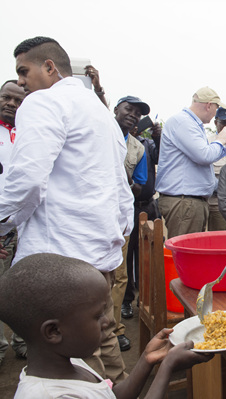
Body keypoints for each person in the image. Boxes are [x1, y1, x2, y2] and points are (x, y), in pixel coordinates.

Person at [1, 36, 134, 383]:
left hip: (61, 260)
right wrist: (119, 234)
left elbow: (27, 178)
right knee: (101, 337)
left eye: (23, 71)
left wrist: (1, 224)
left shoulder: (43, 102)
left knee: (74, 359)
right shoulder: (100, 113)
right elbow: (121, 189)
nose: (20, 82)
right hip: (98, 254)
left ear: (49, 67)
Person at [0, 253, 212, 399]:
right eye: (97, 316)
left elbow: (113, 395)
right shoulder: (52, 395)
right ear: (54, 331)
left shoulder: (72, 363)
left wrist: (147, 360)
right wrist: (167, 368)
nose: (108, 321)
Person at [155, 87, 226, 239]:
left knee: (189, 253)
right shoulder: (183, 122)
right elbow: (204, 155)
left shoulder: (188, 123)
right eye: (216, 108)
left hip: (188, 202)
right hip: (184, 202)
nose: (215, 112)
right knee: (184, 255)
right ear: (209, 105)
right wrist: (220, 141)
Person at [111, 95, 151, 352]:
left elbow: (140, 184)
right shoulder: (99, 132)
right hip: (88, 216)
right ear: (115, 109)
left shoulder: (138, 148)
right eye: (129, 109)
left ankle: (114, 330)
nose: (133, 115)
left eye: (138, 113)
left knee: (119, 275)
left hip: (119, 218)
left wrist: (123, 183)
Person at [122, 113, 162, 322]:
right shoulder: (118, 143)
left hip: (148, 205)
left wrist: (157, 137)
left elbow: (159, 157)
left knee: (147, 255)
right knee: (126, 256)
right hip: (127, 207)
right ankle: (127, 300)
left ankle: (144, 299)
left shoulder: (146, 144)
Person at [0, 79, 27, 365]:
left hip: (24, 224)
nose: (11, 104)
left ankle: (23, 341)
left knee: (24, 285)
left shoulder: (28, 133)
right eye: (6, 98)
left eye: (18, 101)